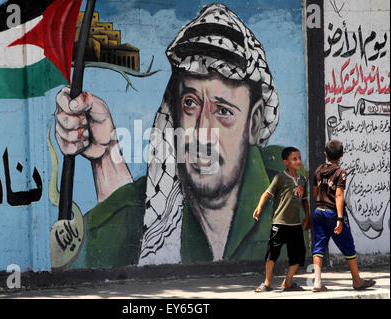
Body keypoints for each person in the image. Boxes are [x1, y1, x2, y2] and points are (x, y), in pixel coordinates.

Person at [54, 4, 285, 269]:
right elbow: (119, 230)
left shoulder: (290, 192)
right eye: (190, 104)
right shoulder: (156, 210)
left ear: (254, 123)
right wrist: (105, 155)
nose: (201, 132)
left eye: (223, 111)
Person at [311, 139, 376, 292]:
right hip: (333, 214)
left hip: (319, 212)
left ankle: (317, 282)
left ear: (325, 154)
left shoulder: (318, 170)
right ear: (342, 155)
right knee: (348, 246)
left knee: (319, 247)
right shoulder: (341, 172)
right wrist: (340, 218)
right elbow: (339, 195)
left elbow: (315, 193)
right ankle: (357, 281)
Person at [253, 147, 310, 292]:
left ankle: (288, 282)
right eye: (294, 159)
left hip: (295, 224)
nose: (298, 161)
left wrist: (308, 215)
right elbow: (266, 194)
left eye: (299, 158)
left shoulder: (302, 180)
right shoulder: (280, 178)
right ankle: (267, 283)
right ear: (286, 162)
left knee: (298, 256)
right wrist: (259, 207)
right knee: (272, 254)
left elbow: (304, 200)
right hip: (280, 223)